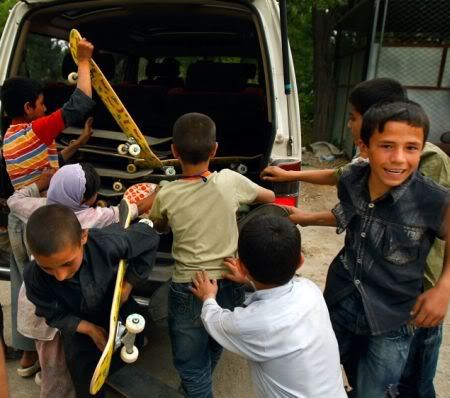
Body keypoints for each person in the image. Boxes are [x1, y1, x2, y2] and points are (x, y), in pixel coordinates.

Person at [261, 78, 450, 398]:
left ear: (422, 148)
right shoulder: (352, 178)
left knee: (379, 390)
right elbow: (344, 200)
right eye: (387, 146)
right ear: (364, 147)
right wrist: (300, 200)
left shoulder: (431, 198)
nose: (399, 159)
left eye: (411, 148)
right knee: (322, 367)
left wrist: (443, 288)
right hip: (341, 299)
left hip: (393, 317)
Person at [149, 112, 275, 397]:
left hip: (189, 287)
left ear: (174, 151)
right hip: (230, 281)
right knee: (215, 340)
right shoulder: (230, 181)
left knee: (191, 366)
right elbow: (268, 198)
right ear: (215, 149)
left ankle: (197, 389)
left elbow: (159, 225)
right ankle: (197, 388)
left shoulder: (166, 193)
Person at [0, 38, 95, 377]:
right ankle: (50, 362)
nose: (44, 108)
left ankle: (27, 358)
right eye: (40, 104)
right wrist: (83, 61)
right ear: (28, 108)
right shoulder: (36, 130)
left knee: (24, 287)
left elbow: (48, 169)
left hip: (18, 219)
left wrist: (79, 142)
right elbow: (80, 102)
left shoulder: (11, 137)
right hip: (40, 221)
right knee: (47, 288)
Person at [190, 215, 347, 398]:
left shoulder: (251, 324)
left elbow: (215, 320)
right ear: (301, 261)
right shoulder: (310, 290)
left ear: (240, 265)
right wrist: (248, 277)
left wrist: (208, 296)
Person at [23, 204, 159, 398]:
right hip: (78, 327)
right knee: (86, 380)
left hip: (117, 306)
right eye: (47, 268)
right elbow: (52, 314)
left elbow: (150, 237)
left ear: (83, 237)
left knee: (130, 351)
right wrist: (89, 329)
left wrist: (129, 284)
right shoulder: (33, 277)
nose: (60, 276)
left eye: (67, 263)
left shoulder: (109, 243)